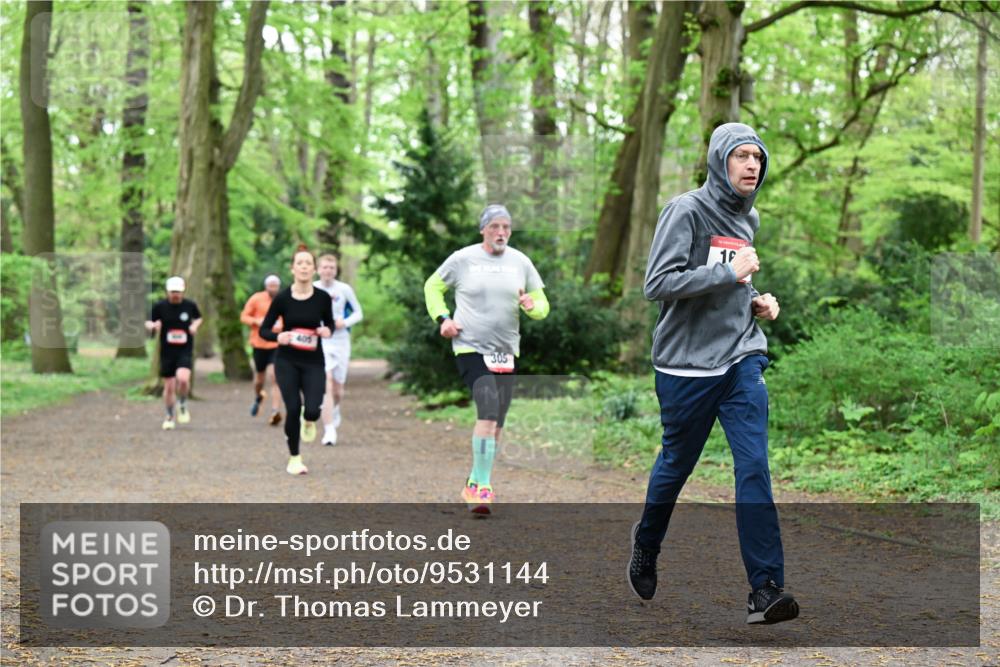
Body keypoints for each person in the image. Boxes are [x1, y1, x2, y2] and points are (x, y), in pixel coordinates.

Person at [627, 123, 798, 625]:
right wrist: (730, 273)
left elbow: (736, 281)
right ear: (720, 161)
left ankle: (765, 589)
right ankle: (647, 542)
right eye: (741, 156)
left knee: (754, 466)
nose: (752, 165)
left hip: (741, 357)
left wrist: (757, 301)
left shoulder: (749, 217)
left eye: (758, 158)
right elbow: (658, 283)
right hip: (685, 365)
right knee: (676, 465)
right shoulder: (686, 210)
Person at [424, 204, 550, 514]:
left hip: (506, 351)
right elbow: (432, 287)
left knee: (497, 423)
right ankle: (482, 488)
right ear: (483, 229)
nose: (501, 232)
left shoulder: (520, 262)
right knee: (489, 412)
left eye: (506, 227)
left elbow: (542, 306)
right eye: (495, 226)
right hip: (470, 347)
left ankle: (474, 482)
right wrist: (443, 318)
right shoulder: (463, 259)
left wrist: (532, 306)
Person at [258, 246, 334, 475]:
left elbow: (329, 323)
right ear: (292, 269)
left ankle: (308, 419)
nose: (304, 267)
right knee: (292, 408)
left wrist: (327, 331)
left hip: (313, 362)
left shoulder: (322, 298)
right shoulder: (282, 298)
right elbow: (264, 330)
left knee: (312, 410)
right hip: (287, 361)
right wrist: (278, 337)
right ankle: (295, 458)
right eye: (299, 263)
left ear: (314, 269)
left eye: (308, 263)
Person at [314, 254, 364, 446]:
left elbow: (359, 313)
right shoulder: (313, 288)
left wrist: (345, 322)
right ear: (318, 269)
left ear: (336, 271)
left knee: (338, 390)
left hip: (341, 340)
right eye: (325, 267)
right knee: (325, 381)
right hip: (322, 340)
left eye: (331, 268)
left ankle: (334, 409)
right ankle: (329, 429)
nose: (328, 271)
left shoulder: (344, 289)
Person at [145, 276, 202, 431]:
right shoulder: (160, 306)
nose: (175, 295)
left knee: (183, 379)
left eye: (178, 292)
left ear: (182, 292)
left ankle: (182, 403)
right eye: (172, 292)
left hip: (184, 349)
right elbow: (148, 321)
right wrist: (153, 326)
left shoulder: (190, 305)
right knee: (169, 386)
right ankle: (169, 416)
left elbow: (198, 318)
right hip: (167, 351)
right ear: (167, 292)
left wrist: (194, 326)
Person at [240, 274, 284, 425]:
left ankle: (275, 411)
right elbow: (244, 316)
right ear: (266, 287)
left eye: (275, 286)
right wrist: (256, 321)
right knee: (259, 379)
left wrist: (283, 326)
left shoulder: (283, 300)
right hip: (259, 344)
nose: (273, 288)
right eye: (271, 286)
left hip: (276, 344)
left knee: (275, 376)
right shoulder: (256, 299)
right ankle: (258, 396)